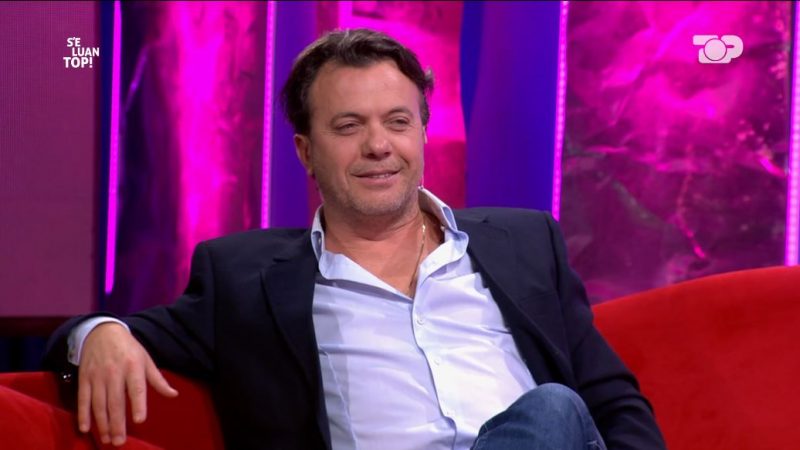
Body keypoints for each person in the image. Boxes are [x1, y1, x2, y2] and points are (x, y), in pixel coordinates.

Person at [45, 28, 665, 450]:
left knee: (552, 410)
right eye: (348, 126)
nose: (378, 146)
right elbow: (106, 334)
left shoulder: (524, 242)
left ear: (422, 133)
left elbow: (611, 401)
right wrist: (98, 333)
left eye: (398, 121)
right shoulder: (244, 278)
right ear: (305, 151)